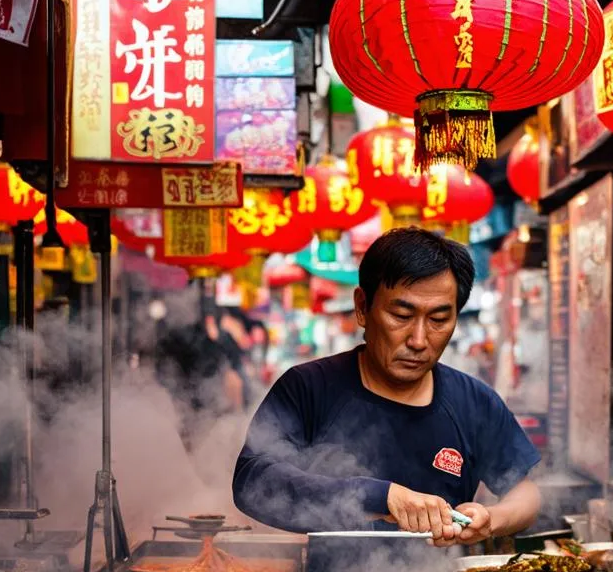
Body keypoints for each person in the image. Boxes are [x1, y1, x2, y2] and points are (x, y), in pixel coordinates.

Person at [231, 228, 541, 544]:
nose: (419, 340)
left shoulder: (475, 403)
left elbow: (525, 493)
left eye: (438, 319)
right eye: (401, 315)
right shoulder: (308, 387)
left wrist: (492, 519)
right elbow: (252, 480)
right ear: (363, 307)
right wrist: (380, 496)